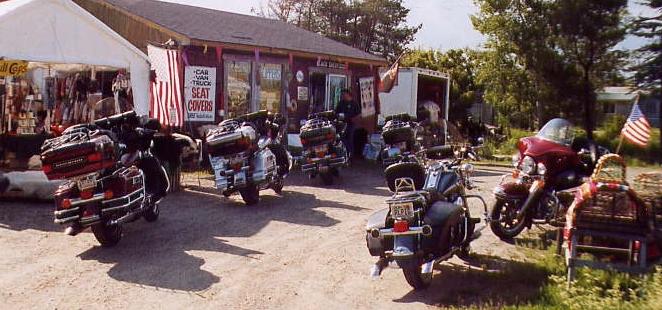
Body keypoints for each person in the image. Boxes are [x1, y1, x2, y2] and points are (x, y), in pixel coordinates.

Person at [335, 89, 361, 155]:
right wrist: (337, 116)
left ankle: (351, 153)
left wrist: (354, 119)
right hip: (342, 124)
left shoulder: (354, 103)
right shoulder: (341, 103)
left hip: (351, 124)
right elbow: (336, 112)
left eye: (343, 94)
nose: (342, 96)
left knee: (350, 138)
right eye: (342, 95)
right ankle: (345, 152)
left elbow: (359, 114)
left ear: (348, 94)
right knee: (341, 138)